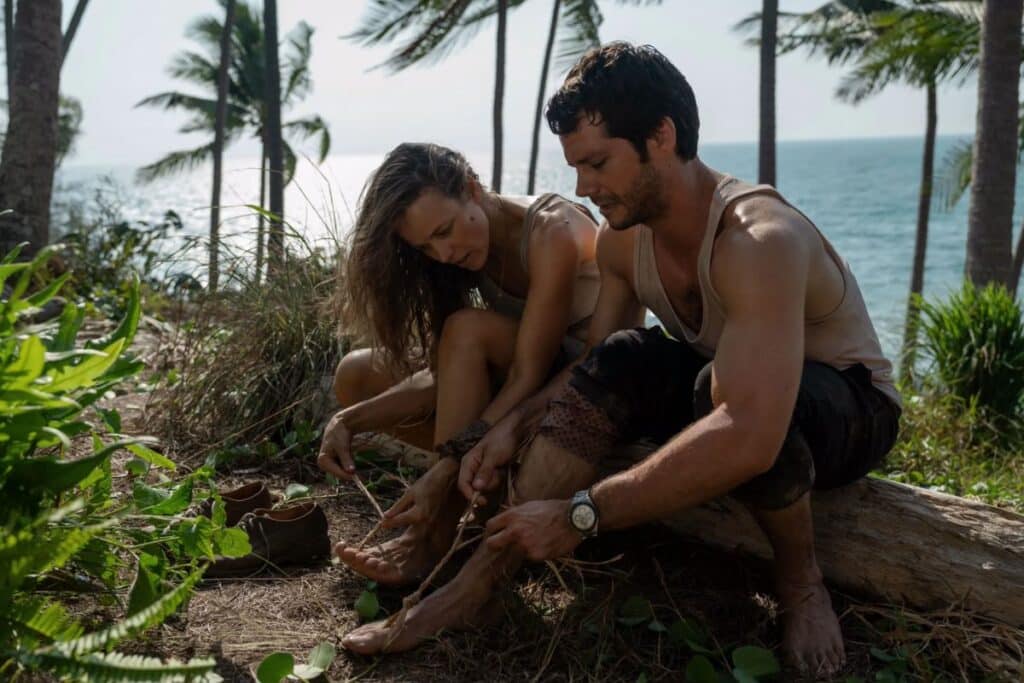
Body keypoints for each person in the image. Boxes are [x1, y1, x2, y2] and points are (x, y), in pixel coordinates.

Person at [339, 44, 902, 679]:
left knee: (713, 391)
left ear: (661, 136)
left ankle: (802, 586)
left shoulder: (757, 240)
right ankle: (473, 585)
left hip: (849, 407)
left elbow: (748, 430)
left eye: (598, 163)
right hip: (722, 387)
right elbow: (592, 371)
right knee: (625, 354)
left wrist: (583, 515)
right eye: (576, 167)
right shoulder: (621, 239)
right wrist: (508, 429)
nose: (582, 187)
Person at [317, 142, 605, 585]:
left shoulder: (552, 232)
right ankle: (478, 493)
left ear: (472, 188)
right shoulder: (470, 253)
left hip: (574, 383)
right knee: (356, 375)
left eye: (445, 230)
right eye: (427, 247)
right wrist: (349, 419)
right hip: (510, 381)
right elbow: (447, 367)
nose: (444, 254)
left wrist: (445, 466)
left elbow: (530, 373)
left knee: (466, 328)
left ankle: (437, 534)